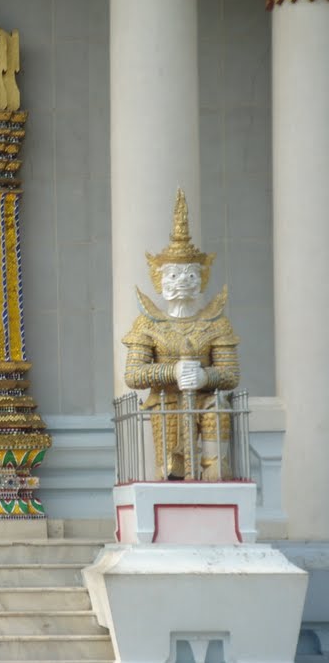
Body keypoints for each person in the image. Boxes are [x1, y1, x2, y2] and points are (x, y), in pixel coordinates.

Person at [122, 189, 240, 480]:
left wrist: (205, 378)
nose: (183, 282)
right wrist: (171, 371)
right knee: (171, 472)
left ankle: (215, 477)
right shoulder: (148, 323)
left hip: (205, 400)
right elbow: (133, 374)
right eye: (173, 275)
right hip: (167, 401)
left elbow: (230, 374)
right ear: (159, 280)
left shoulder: (215, 323)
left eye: (190, 275)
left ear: (202, 279)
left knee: (216, 416)